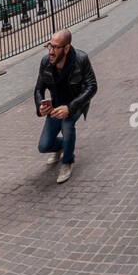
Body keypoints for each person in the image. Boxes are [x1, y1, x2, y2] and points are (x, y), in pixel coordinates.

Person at [34, 28, 97, 184]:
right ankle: (63, 146)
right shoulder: (45, 62)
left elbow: (92, 86)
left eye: (55, 47)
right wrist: (40, 107)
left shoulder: (81, 60)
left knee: (67, 125)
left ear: (66, 48)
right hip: (56, 105)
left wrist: (70, 108)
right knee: (43, 146)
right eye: (50, 46)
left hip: (75, 103)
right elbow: (38, 89)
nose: (51, 51)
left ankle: (67, 161)